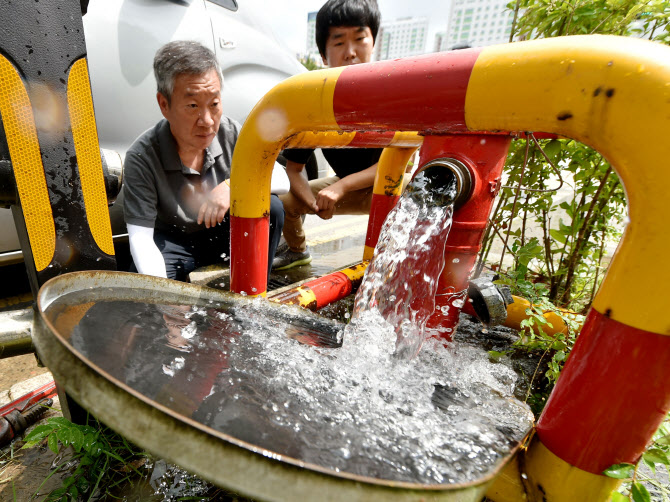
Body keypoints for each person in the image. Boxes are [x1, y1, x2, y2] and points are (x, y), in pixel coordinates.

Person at [123, 41, 286, 282]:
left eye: (214, 104)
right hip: (175, 242)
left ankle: (255, 287)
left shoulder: (231, 132)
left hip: (223, 233)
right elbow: (141, 238)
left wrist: (233, 187)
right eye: (192, 106)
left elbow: (282, 179)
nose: (207, 121)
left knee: (271, 207)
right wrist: (162, 300)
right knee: (137, 282)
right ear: (164, 105)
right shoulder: (142, 155)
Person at [272, 0, 383, 270]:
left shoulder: (388, 92)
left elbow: (391, 166)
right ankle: (297, 251)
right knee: (283, 202)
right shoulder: (315, 104)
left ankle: (398, 262)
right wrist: (313, 204)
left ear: (373, 42)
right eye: (338, 42)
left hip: (389, 184)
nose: (351, 52)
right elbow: (294, 170)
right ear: (323, 55)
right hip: (345, 186)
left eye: (359, 39)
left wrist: (341, 187)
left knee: (419, 202)